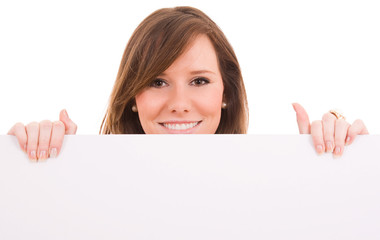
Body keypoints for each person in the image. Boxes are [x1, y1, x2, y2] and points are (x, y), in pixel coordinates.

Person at [7, 6, 368, 162]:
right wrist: (43, 168)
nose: (180, 102)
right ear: (133, 96)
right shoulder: (85, 187)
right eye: (158, 81)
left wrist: (336, 165)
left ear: (225, 93)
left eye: (199, 80)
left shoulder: (268, 188)